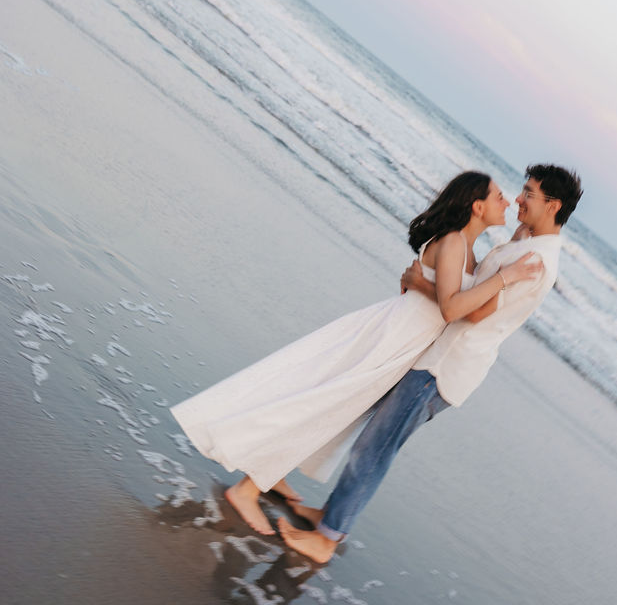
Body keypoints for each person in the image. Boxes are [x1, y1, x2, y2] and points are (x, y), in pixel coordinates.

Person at [171, 171, 543, 535]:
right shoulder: (452, 242)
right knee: (326, 404)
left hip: (402, 345)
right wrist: (506, 277)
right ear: (477, 206)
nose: (508, 201)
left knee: (334, 407)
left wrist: (511, 247)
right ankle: (246, 490)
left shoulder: (467, 249)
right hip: (391, 340)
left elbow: (466, 302)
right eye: (498, 196)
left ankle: (270, 471)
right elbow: (451, 308)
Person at [277, 164, 583, 562]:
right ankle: (329, 516)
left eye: (529, 193)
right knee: (375, 438)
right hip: (439, 358)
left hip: (444, 368)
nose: (518, 198)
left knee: (375, 448)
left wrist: (425, 284)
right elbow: (479, 290)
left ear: (553, 204)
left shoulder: (535, 262)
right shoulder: (527, 245)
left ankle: (327, 538)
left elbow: (473, 312)